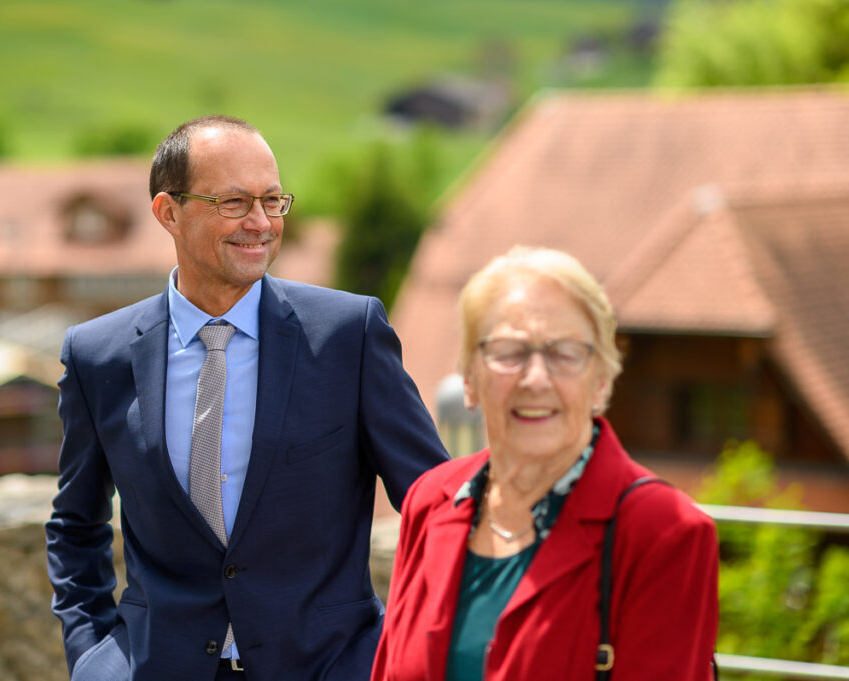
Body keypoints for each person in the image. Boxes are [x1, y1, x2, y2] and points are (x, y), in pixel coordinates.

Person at [45, 115, 449, 681]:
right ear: (169, 212)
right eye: (233, 202)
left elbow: (438, 506)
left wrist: (402, 649)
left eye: (272, 200)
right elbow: (74, 524)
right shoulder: (97, 354)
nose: (260, 223)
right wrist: (92, 657)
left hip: (330, 667)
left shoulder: (347, 335)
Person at [371, 246, 718, 681]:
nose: (535, 378)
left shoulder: (664, 532)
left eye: (564, 353)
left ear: (602, 380)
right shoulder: (429, 500)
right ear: (470, 379)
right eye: (509, 351)